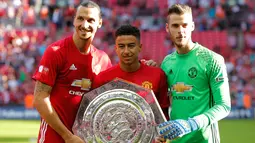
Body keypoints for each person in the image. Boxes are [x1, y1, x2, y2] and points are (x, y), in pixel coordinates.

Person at [32, 1, 157, 143]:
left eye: (91, 20)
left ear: (100, 23)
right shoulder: (55, 52)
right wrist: (67, 136)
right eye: (80, 18)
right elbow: (39, 99)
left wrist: (143, 67)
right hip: (54, 137)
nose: (84, 25)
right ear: (74, 20)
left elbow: (118, 93)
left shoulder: (103, 59)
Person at [156, 4, 231, 143]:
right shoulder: (167, 63)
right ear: (167, 28)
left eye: (185, 25)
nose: (181, 30)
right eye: (175, 25)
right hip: (176, 140)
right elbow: (167, 100)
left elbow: (224, 106)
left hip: (204, 140)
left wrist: (191, 124)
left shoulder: (212, 60)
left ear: (192, 26)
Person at [92, 24, 170, 120]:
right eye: (121, 46)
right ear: (116, 49)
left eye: (131, 46)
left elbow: (164, 114)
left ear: (140, 47)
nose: (126, 51)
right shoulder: (103, 79)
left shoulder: (158, 75)